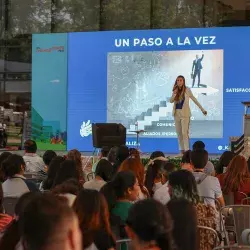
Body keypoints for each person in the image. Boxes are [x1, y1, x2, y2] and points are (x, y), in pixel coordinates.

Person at [170, 76, 207, 154]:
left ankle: (187, 151)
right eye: (178, 80)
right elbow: (171, 101)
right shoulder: (175, 90)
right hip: (176, 113)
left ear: (183, 81)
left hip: (185, 114)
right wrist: (174, 94)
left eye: (181, 80)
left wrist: (202, 109)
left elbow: (194, 99)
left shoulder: (187, 90)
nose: (179, 82)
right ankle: (181, 151)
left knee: (184, 132)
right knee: (179, 133)